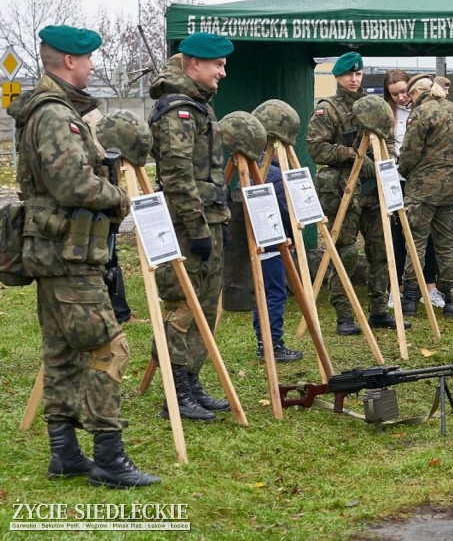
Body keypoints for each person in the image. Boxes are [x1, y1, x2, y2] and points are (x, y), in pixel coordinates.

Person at [12, 25, 158, 487]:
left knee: (61, 354)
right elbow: (71, 184)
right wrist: (118, 197)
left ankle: (65, 453)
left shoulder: (46, 109)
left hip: (56, 252)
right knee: (107, 347)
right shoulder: (56, 114)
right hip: (69, 254)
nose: (94, 66)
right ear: (70, 62)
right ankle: (109, 458)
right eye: (89, 59)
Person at [149, 31, 234, 421]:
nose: (223, 72)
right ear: (194, 64)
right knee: (182, 306)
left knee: (205, 306)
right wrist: (197, 227)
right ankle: (176, 388)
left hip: (207, 218)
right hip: (186, 223)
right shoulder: (178, 110)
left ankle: (191, 379)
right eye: (217, 65)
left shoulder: (200, 105)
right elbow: (178, 174)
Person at [307, 52, 406, 335]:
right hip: (343, 189)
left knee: (380, 250)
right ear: (337, 77)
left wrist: (387, 158)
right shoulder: (328, 109)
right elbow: (316, 148)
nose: (354, 79)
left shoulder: (375, 106)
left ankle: (378, 311)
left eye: (358, 74)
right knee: (345, 251)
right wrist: (353, 154)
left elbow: (389, 141)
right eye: (349, 75)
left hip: (374, 189)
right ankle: (344, 315)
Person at [398, 74, 453, 318]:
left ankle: (409, 299)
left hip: (422, 187)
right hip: (449, 186)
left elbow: (409, 152)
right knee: (446, 243)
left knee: (416, 242)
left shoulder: (420, 113)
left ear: (417, 92)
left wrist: (403, 170)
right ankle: (451, 299)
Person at [253, 157, 303, 362]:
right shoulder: (273, 175)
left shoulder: (247, 173)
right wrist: (290, 234)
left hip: (256, 243)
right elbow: (284, 209)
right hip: (272, 244)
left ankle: (264, 342)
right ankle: (273, 343)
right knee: (274, 294)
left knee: (262, 294)